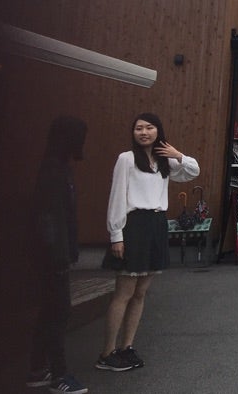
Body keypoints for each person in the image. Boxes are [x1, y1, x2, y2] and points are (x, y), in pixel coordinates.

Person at [96, 113, 199, 373]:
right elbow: (117, 196)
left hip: (156, 225)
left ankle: (127, 346)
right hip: (134, 226)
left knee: (141, 292)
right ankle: (107, 352)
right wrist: (116, 234)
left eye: (149, 128)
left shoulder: (164, 161)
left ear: (158, 131)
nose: (144, 132)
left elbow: (192, 171)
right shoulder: (126, 159)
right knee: (124, 293)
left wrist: (178, 155)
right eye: (139, 128)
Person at [26, 116, 89, 394]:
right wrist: (59, 256)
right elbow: (50, 218)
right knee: (58, 313)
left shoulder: (57, 166)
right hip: (52, 258)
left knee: (49, 312)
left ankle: (37, 369)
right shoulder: (54, 170)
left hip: (53, 255)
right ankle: (59, 374)